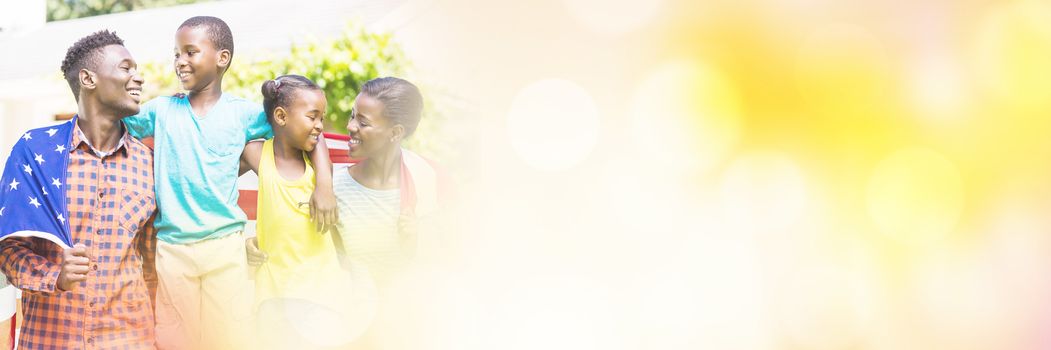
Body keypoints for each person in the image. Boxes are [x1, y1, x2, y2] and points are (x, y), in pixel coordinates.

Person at [121, 16, 337, 350]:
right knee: (177, 337)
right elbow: (116, 120)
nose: (179, 61)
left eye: (190, 52)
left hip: (226, 246)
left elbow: (308, 131)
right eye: (176, 53)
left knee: (230, 337)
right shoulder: (160, 110)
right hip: (172, 246)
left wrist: (324, 184)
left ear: (222, 58)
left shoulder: (245, 114)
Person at [0, 29, 157, 349]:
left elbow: (155, 263)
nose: (138, 78)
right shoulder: (35, 152)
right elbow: (7, 248)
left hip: (129, 339)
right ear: (88, 79)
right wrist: (53, 275)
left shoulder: (149, 162)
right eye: (126, 68)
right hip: (52, 339)